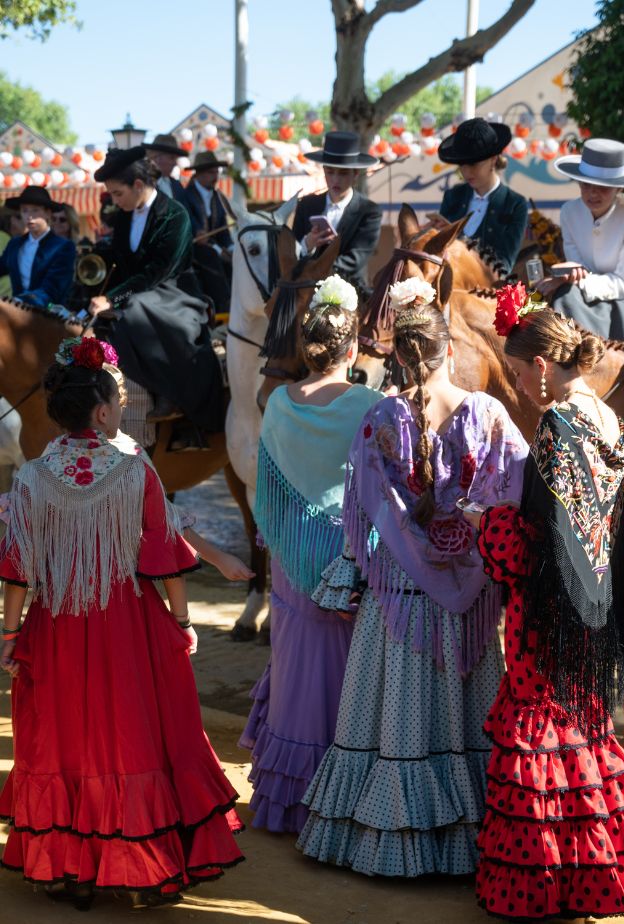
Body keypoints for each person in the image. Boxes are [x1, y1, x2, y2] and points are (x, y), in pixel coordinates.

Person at [0, 339, 243, 910]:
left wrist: (10, 636)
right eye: (118, 398)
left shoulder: (32, 478)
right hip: (124, 625)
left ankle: (67, 867)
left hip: (56, 623)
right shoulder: (134, 471)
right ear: (105, 411)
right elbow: (162, 556)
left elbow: (17, 570)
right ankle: (136, 863)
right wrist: (182, 622)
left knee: (66, 739)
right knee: (127, 737)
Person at [298, 278, 527, 875]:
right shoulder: (491, 414)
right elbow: (518, 495)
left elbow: (362, 513)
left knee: (395, 725)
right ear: (450, 351)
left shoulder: (380, 419)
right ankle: (468, 840)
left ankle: (393, 847)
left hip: (398, 603)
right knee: (464, 722)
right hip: (471, 605)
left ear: (397, 357)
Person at [474, 289, 624, 919]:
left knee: (542, 735)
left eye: (519, 374)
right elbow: (598, 532)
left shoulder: (556, 426)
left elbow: (537, 543)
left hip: (546, 617)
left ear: (542, 365)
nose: (519, 387)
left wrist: (486, 521)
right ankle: (599, 868)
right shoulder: (610, 424)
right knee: (585, 731)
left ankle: (545, 880)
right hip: (594, 611)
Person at [238, 275, 381, 833]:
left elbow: (266, 491)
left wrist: (280, 543)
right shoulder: (371, 405)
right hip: (353, 557)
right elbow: (383, 490)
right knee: (350, 679)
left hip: (293, 553)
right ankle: (344, 798)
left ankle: (290, 803)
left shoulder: (277, 404)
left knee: (297, 674)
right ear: (353, 349)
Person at [89, 145, 224, 447]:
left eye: (117, 193)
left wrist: (112, 298)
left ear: (138, 185)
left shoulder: (176, 215)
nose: (114, 200)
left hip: (177, 295)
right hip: (137, 293)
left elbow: (158, 271)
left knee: (132, 309)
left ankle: (167, 394)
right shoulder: (124, 216)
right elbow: (123, 261)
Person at [540, 138, 624, 345]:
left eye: (604, 187)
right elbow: (579, 267)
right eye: (586, 184)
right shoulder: (569, 212)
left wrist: (574, 279)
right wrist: (567, 276)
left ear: (619, 188)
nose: (593, 193)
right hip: (583, 299)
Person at [294, 131, 382, 297]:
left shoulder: (369, 211)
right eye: (330, 172)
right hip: (304, 292)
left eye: (342, 173)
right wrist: (308, 244)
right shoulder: (306, 205)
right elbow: (292, 250)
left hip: (350, 293)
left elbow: (355, 259)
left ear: (355, 174)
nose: (335, 179)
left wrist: (316, 271)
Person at [436, 117, 529, 272]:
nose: (466, 172)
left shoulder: (515, 204)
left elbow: (504, 266)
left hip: (486, 293)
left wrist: (456, 238)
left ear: (493, 159)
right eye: (462, 165)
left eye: (473, 164)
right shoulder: (452, 196)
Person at [0, 186, 76, 308]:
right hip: (16, 315)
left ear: (48, 213)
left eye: (35, 210)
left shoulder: (63, 246)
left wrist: (19, 301)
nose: (29, 216)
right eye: (24, 210)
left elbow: (53, 288)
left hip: (49, 317)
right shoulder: (15, 244)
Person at [181, 151, 234, 316]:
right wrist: (218, 250)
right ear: (200, 174)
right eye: (212, 172)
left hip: (214, 248)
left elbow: (223, 230)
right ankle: (223, 309)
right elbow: (193, 229)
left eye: (217, 172)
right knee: (211, 255)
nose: (216, 176)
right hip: (193, 249)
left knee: (236, 260)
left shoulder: (217, 196)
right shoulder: (185, 196)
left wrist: (232, 249)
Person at [143, 133, 189, 201]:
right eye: (172, 158)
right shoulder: (143, 184)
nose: (175, 163)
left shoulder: (177, 185)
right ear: (157, 158)